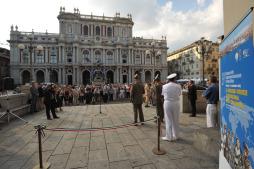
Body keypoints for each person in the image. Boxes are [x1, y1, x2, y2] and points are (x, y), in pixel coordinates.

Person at [161, 73, 182, 141]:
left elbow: (163, 94)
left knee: (168, 119)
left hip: (168, 103)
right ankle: (176, 135)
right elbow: (179, 94)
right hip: (176, 103)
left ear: (168, 79)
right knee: (176, 119)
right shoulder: (178, 86)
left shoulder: (164, 86)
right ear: (174, 79)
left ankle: (169, 137)